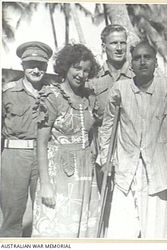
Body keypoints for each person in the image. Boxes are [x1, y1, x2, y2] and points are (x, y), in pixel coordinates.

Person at [99, 41, 167, 238]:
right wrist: (105, 159)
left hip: (158, 170)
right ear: (131, 64)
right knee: (120, 233)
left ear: (155, 62)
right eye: (137, 58)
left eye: (147, 57)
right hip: (126, 169)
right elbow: (107, 126)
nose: (142, 62)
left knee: (155, 233)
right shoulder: (120, 88)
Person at [32, 44, 101, 237]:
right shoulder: (52, 96)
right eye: (76, 67)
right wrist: (45, 184)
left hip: (86, 174)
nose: (81, 74)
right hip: (58, 174)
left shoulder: (89, 98)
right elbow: (41, 144)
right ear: (66, 67)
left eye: (86, 70)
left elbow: (91, 134)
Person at [0, 41, 53, 237]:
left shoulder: (53, 93)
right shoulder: (7, 92)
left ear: (46, 67)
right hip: (14, 156)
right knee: (12, 214)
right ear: (22, 65)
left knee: (45, 213)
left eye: (40, 65)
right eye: (31, 64)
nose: (36, 69)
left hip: (45, 157)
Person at [88, 24, 134, 192]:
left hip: (131, 149)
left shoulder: (137, 77)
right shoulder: (93, 80)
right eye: (114, 43)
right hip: (103, 150)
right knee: (104, 202)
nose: (119, 48)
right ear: (104, 46)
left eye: (123, 43)